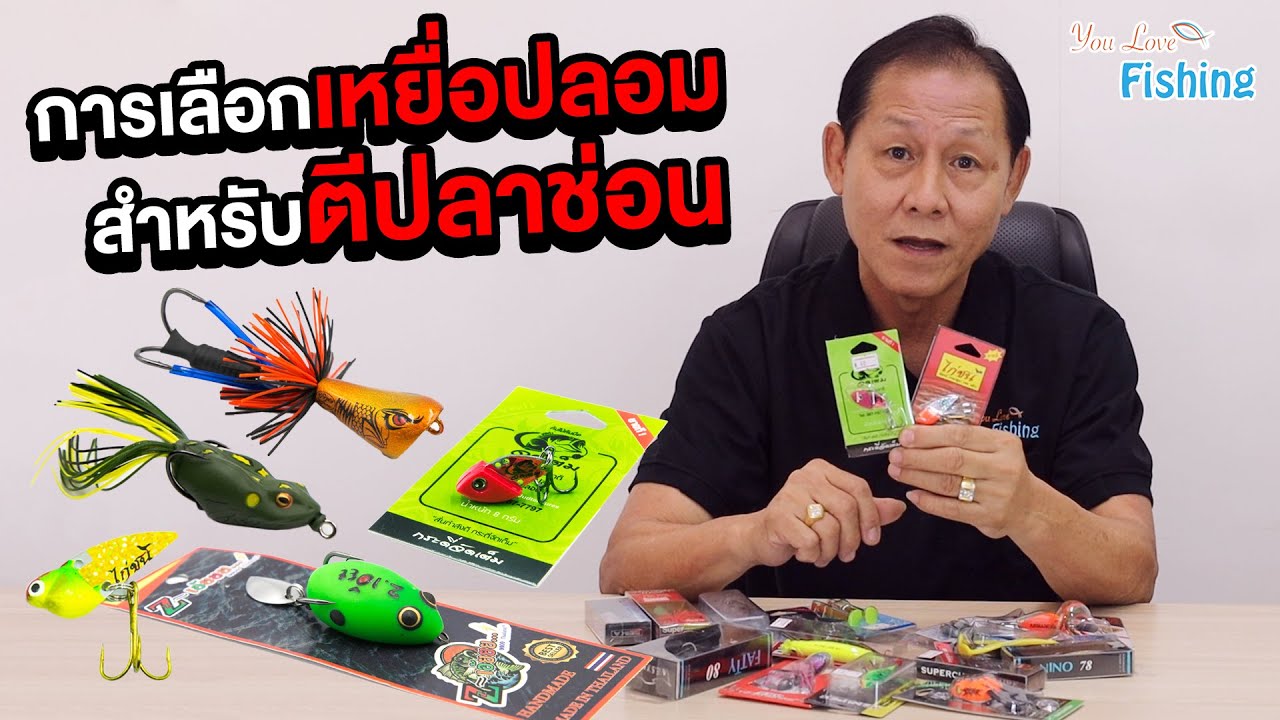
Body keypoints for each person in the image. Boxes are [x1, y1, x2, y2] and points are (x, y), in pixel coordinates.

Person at [598, 15, 1157, 604]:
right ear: (838, 158)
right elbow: (627, 567)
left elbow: (1133, 571)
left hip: (1011, 659)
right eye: (897, 152)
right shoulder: (749, 337)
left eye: (965, 163)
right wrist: (755, 533)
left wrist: (1029, 507)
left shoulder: (1079, 336)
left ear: (1013, 180)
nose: (926, 198)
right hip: (805, 658)